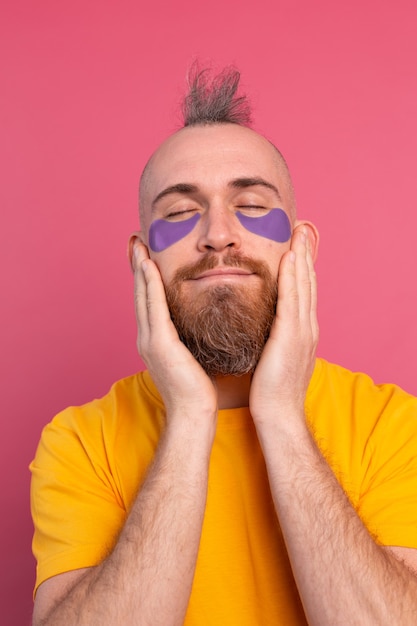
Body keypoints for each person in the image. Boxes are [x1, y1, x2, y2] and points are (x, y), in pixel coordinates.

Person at [30, 66, 417, 626]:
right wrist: (189, 413)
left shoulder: (392, 425)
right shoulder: (79, 444)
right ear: (144, 259)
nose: (218, 232)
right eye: (182, 211)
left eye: (253, 204)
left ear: (300, 247)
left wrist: (281, 413)